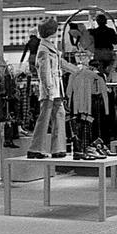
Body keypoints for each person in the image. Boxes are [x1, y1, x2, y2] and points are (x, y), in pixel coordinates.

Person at [28, 18, 77, 158]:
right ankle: (35, 148)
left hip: (55, 89)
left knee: (59, 115)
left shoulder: (49, 47)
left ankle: (58, 148)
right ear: (52, 31)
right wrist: (49, 89)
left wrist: (78, 70)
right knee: (45, 118)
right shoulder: (43, 49)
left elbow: (61, 63)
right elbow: (44, 73)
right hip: (50, 90)